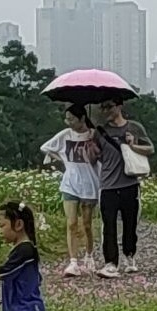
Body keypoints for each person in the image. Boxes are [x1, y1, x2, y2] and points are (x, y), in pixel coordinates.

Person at [94, 99, 155, 279]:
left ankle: (130, 255)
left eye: (109, 106)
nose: (106, 110)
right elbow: (96, 156)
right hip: (108, 185)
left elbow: (150, 149)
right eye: (103, 107)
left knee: (130, 224)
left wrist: (132, 145)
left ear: (119, 106)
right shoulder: (99, 131)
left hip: (129, 183)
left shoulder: (134, 128)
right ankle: (110, 263)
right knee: (108, 226)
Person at [39, 104, 101, 277]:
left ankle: (89, 254)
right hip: (70, 183)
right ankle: (73, 261)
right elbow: (46, 147)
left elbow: (101, 156)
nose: (68, 122)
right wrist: (63, 159)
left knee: (87, 224)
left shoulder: (93, 135)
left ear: (82, 118)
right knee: (71, 222)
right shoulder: (66, 135)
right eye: (67, 119)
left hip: (89, 184)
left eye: (72, 119)